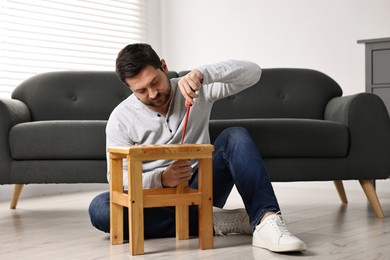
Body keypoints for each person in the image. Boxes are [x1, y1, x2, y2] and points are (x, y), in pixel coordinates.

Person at [88, 43, 307, 253]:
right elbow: (117, 178)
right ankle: (213, 221)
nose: (153, 94)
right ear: (129, 88)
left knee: (236, 136)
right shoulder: (120, 118)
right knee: (101, 209)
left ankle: (265, 220)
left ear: (164, 66)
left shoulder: (194, 87)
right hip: (152, 196)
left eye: (155, 82)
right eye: (141, 91)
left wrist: (203, 73)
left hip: (201, 187)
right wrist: (163, 178)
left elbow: (253, 73)